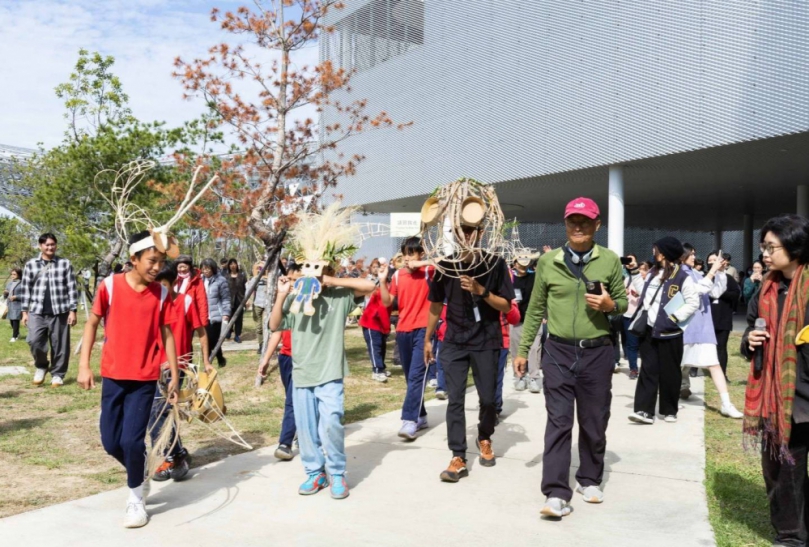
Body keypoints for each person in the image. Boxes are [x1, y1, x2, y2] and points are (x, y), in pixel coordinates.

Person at [515, 197, 627, 517]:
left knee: (594, 420)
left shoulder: (609, 260)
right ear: (565, 225)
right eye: (572, 221)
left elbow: (622, 303)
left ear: (597, 225)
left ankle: (589, 479)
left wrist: (610, 306)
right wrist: (523, 351)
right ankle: (555, 492)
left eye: (585, 221)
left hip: (597, 352)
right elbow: (535, 308)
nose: (578, 226)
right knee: (559, 421)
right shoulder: (549, 261)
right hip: (558, 352)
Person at [77, 230, 180, 528]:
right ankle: (140, 473)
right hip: (113, 376)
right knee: (111, 443)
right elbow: (92, 323)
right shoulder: (109, 286)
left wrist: (173, 373)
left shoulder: (161, 293)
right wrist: (84, 366)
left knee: (132, 441)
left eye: (160, 262)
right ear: (134, 259)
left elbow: (167, 333)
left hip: (144, 378)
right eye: (151, 261)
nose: (156, 267)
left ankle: (135, 498)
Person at [269, 246, 374, 498]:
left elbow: (369, 286)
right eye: (308, 267)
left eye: (318, 267)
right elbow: (274, 325)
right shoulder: (296, 298)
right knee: (306, 430)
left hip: (330, 372)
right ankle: (315, 473)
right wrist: (281, 295)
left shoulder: (340, 296)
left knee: (331, 424)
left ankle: (337, 473)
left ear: (328, 269)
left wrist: (329, 280)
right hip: (302, 373)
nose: (312, 272)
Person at [426, 226, 515, 482]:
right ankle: (458, 456)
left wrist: (481, 291)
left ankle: (484, 436)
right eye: (460, 230)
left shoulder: (495, 264)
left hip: (486, 341)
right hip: (454, 342)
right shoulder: (445, 266)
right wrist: (428, 338)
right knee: (455, 399)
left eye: (471, 230)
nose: (466, 236)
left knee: (488, 399)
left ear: (481, 232)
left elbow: (506, 305)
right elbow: (435, 304)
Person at [742, 214, 809, 547]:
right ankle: (791, 535)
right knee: (781, 469)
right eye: (763, 247)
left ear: (795, 247)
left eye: (772, 247)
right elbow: (751, 328)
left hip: (805, 388)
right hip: (779, 396)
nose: (765, 254)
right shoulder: (766, 288)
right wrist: (749, 340)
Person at [149, 262, 213, 482]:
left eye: (163, 285)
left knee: (159, 410)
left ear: (174, 282)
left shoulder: (185, 302)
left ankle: (169, 457)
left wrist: (206, 361)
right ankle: (176, 454)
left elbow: (201, 332)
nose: (159, 290)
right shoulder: (152, 303)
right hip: (153, 366)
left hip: (177, 366)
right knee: (159, 412)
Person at [629, 237, 700, 425]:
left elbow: (693, 302)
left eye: (656, 249)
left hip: (671, 333)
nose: (653, 252)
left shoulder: (682, 276)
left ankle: (669, 409)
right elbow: (644, 292)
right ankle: (644, 411)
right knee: (648, 370)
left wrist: (674, 318)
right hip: (649, 332)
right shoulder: (652, 272)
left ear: (665, 253)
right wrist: (634, 272)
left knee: (670, 373)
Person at [678, 244, 744, 417]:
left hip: (703, 327)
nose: (694, 257)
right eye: (691, 254)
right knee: (678, 365)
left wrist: (720, 272)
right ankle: (673, 397)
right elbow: (696, 290)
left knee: (714, 364)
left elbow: (715, 292)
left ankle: (726, 404)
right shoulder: (678, 274)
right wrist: (713, 271)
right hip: (685, 327)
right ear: (682, 256)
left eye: (694, 254)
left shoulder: (697, 273)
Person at [379, 237, 433, 441]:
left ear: (421, 254)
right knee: (410, 377)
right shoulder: (397, 276)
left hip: (424, 330)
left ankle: (409, 420)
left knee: (416, 376)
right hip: (403, 330)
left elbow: (446, 263)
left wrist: (422, 263)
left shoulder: (429, 271)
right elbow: (387, 302)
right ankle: (421, 415)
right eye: (405, 254)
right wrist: (382, 281)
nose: (408, 258)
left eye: (412, 253)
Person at [20, 233, 78, 387]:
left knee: (60, 345)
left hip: (60, 311)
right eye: (47, 245)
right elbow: (26, 289)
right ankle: (41, 366)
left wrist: (73, 310)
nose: (50, 247)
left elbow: (72, 288)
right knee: (34, 341)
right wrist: (24, 312)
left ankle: (58, 374)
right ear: (40, 246)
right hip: (36, 311)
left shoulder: (64, 264)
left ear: (56, 245)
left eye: (52, 244)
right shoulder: (31, 264)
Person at [257, 263, 302, 460]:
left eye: (296, 280)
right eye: (290, 279)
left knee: (292, 400)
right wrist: (266, 359)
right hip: (286, 358)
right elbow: (277, 331)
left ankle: (285, 442)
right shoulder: (284, 302)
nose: (292, 284)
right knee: (294, 398)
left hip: (304, 359)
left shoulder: (311, 303)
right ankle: (301, 430)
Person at [510, 254, 542, 393]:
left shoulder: (535, 277)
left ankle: (534, 377)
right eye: (519, 263)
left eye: (525, 263)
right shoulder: (510, 279)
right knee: (516, 349)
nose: (522, 266)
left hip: (533, 319)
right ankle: (520, 376)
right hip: (516, 320)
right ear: (515, 264)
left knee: (534, 349)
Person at [708, 250, 741, 382]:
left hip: (723, 318)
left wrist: (721, 293)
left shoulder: (728, 278)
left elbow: (736, 294)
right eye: (710, 261)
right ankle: (695, 369)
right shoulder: (705, 278)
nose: (712, 263)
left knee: (721, 347)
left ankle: (722, 373)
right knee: (703, 346)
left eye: (715, 260)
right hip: (707, 318)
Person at [359, 260, 392, 383]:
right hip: (371, 322)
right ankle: (377, 370)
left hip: (382, 323)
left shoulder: (389, 287)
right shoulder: (374, 285)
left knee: (382, 347)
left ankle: (381, 368)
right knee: (375, 347)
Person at [200, 258, 231, 368]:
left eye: (208, 268)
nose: (205, 271)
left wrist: (226, 313)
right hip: (204, 315)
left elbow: (226, 298)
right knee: (208, 340)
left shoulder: (220, 280)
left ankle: (210, 361)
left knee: (212, 340)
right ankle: (215, 359)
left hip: (216, 315)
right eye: (203, 269)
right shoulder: (200, 280)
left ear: (213, 268)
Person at [174, 254, 209, 328]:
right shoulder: (172, 278)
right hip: (172, 316)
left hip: (189, 318)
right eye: (180, 267)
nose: (182, 269)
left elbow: (202, 301)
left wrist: (203, 322)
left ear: (190, 267)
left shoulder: (196, 280)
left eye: (184, 267)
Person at [247, 262, 269, 355]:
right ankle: (261, 344)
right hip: (257, 304)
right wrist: (255, 276)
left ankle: (268, 345)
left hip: (268, 305)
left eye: (264, 267)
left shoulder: (271, 278)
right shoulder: (255, 279)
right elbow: (249, 289)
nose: (262, 269)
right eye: (260, 268)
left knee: (268, 326)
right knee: (259, 327)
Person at [225, 258, 247, 342]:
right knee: (229, 316)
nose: (233, 265)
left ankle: (237, 335)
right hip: (229, 300)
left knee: (239, 319)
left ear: (237, 265)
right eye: (231, 264)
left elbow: (246, 288)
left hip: (240, 300)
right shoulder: (226, 277)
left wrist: (246, 300)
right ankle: (229, 331)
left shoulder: (242, 276)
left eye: (234, 264)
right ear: (229, 266)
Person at [4, 268, 23, 342]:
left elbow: (25, 294)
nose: (12, 276)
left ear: (19, 275)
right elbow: (6, 294)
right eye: (12, 274)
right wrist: (5, 293)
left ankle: (14, 337)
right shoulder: (9, 283)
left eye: (14, 274)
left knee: (15, 320)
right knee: (11, 320)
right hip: (10, 304)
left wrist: (16, 297)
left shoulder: (22, 283)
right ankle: (17, 333)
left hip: (18, 304)